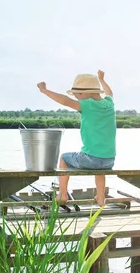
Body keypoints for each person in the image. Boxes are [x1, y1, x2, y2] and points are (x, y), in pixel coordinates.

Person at [37, 70, 116, 207]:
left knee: (64, 158)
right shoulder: (109, 104)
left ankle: (62, 194)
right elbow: (110, 92)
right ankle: (101, 197)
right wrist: (101, 80)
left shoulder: (87, 105)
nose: (77, 99)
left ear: (84, 93)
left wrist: (45, 90)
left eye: (77, 96)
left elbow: (64, 101)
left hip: (91, 159)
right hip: (109, 160)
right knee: (100, 168)